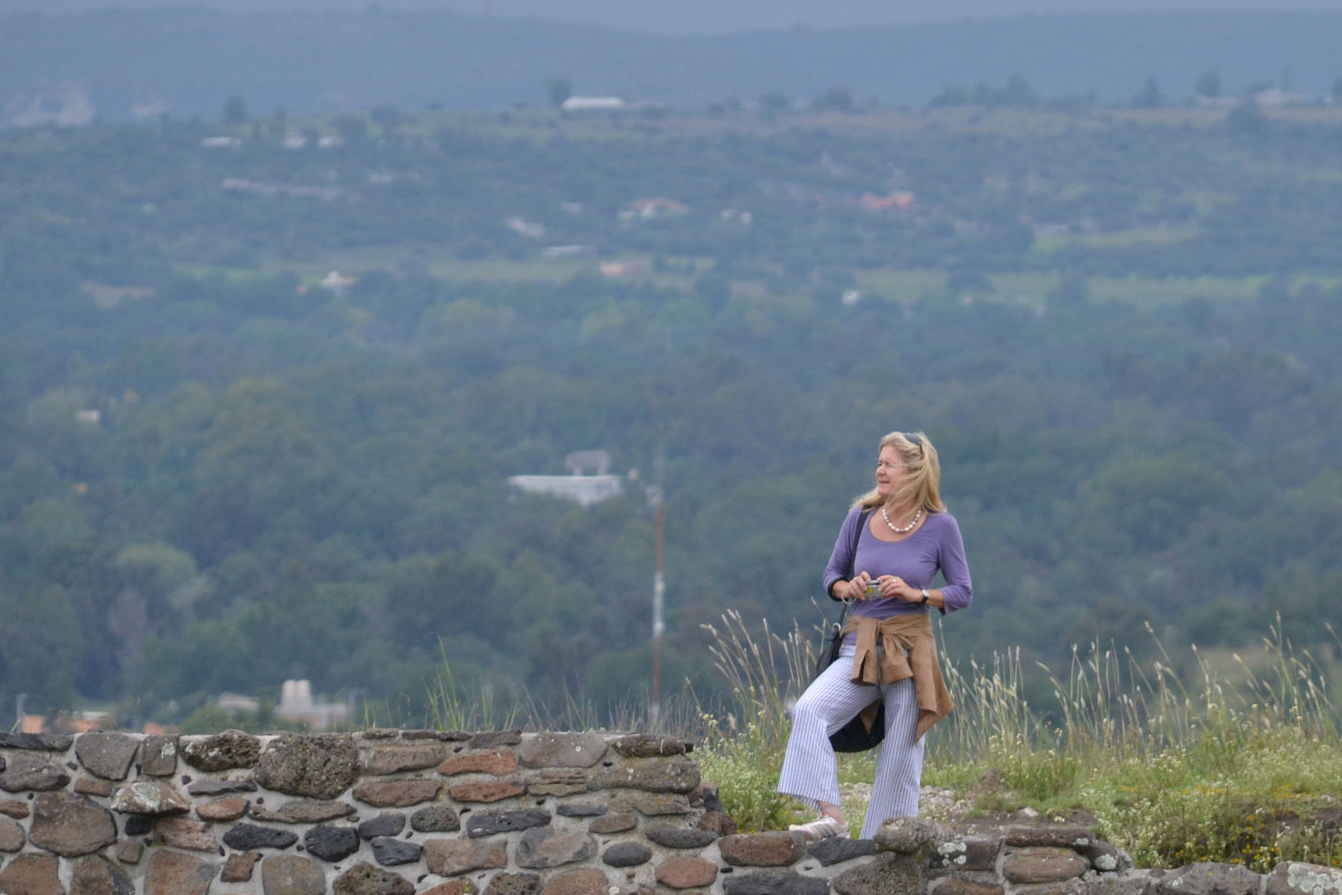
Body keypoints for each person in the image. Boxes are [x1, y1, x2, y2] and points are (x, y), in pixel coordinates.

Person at [777, 430, 973, 840]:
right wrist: (847, 588)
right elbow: (832, 576)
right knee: (810, 710)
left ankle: (881, 847)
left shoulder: (942, 527)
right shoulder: (862, 517)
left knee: (901, 754)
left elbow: (961, 591)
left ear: (914, 472)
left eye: (888, 463)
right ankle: (832, 818)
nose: (879, 469)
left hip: (910, 651)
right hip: (858, 645)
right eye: (879, 462)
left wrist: (916, 592)